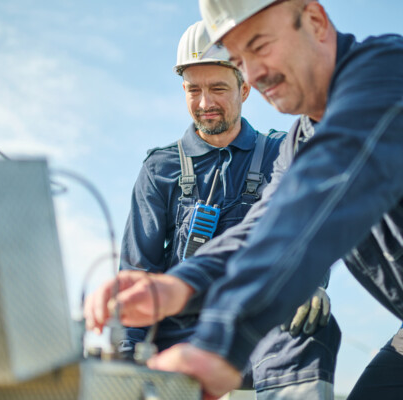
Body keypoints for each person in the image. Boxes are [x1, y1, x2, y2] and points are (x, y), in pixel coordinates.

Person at [86, 1, 403, 399]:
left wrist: (220, 343)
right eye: (240, 57)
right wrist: (177, 287)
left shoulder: (393, 74)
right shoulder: (298, 143)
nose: (254, 72)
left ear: (314, 21)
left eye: (259, 46)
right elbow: (262, 227)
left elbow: (318, 202)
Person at [106, 20, 340, 400]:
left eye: (217, 88)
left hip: (254, 332)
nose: (204, 103)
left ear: (245, 88)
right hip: (176, 339)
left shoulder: (282, 155)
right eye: (193, 89)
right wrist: (127, 369)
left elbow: (307, 232)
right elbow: (139, 272)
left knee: (308, 324)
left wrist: (308, 283)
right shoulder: (159, 169)